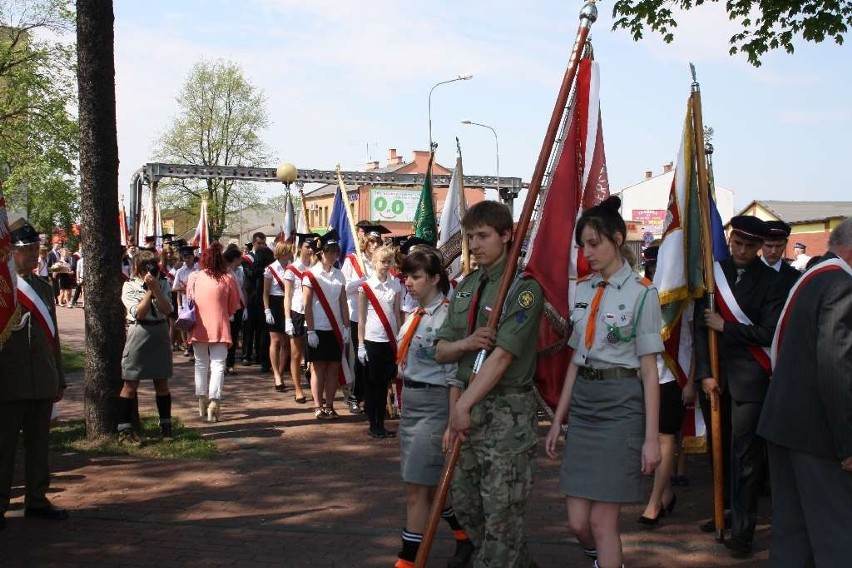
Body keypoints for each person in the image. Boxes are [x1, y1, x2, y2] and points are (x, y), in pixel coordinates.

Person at [544, 197, 663, 568]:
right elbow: (576, 362)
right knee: (578, 523)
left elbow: (649, 372)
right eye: (582, 245)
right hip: (584, 407)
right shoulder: (583, 289)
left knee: (601, 521)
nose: (587, 252)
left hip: (621, 407)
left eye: (594, 243)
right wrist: (558, 418)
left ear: (617, 239)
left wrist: (651, 439)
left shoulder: (643, 293)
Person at [435, 201, 543, 567]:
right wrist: (464, 344)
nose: (475, 244)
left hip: (506, 415)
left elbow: (502, 357)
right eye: (470, 237)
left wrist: (462, 407)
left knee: (502, 513)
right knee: (466, 504)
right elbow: (442, 350)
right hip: (469, 411)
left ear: (506, 235)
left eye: (483, 236)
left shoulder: (523, 289)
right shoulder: (467, 284)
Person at [757, 218, 852, 567]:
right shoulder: (842, 285)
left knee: (792, 538)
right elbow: (836, 369)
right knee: (837, 538)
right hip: (819, 436)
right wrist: (848, 443)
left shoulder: (810, 279)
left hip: (785, 423)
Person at [695, 215, 785, 556]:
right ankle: (725, 509)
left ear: (761, 246)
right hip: (716, 378)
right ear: (729, 239)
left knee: (745, 457)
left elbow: (767, 332)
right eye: (737, 243)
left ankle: (744, 530)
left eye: (750, 245)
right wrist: (704, 372)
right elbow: (699, 327)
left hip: (750, 380)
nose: (743, 250)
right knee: (719, 453)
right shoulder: (714, 273)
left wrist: (725, 326)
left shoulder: (772, 282)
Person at [393, 247, 474, 568]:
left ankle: (408, 561)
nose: (409, 283)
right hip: (411, 404)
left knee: (416, 489)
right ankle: (464, 535)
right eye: (406, 277)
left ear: (436, 278)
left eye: (416, 277)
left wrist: (452, 420)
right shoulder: (413, 315)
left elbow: (455, 376)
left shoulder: (447, 318)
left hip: (434, 405)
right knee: (425, 486)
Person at [0, 216, 69, 529]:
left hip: (41, 377)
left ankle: (37, 500)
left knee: (39, 447)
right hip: (9, 381)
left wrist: (59, 377)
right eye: (26, 250)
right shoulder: (5, 289)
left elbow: (52, 336)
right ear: (10, 252)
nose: (33, 255)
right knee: (3, 448)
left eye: (36, 249)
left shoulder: (42, 286)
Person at [638, 244, 692, 528]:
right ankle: (667, 493)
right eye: (653, 266)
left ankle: (655, 502)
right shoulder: (640, 292)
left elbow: (693, 344)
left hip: (672, 376)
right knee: (647, 437)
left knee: (665, 438)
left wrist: (691, 380)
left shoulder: (684, 297)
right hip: (643, 375)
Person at [118, 249, 174, 442]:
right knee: (130, 383)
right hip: (139, 331)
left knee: (162, 384)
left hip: (159, 331)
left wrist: (157, 288)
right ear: (139, 269)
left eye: (154, 267)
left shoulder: (164, 283)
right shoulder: (129, 286)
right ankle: (124, 428)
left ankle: (166, 425)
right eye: (146, 268)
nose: (151, 272)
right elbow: (138, 313)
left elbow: (167, 310)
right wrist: (149, 290)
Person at [187, 242, 241, 423]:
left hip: (198, 326)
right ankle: (214, 402)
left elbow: (189, 301)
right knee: (218, 365)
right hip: (220, 325)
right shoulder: (228, 278)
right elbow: (234, 305)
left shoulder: (194, 277)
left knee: (201, 363)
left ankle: (201, 399)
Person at [303, 230, 350, 420]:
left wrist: (346, 326)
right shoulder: (311, 275)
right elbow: (307, 305)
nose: (333, 256)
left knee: (333, 368)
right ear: (321, 253)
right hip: (318, 328)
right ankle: (317, 405)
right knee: (318, 368)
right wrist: (311, 330)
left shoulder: (339, 276)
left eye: (336, 252)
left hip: (335, 329)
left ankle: (330, 405)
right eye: (330, 252)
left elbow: (343, 303)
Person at [357, 244, 402, 438]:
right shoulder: (365, 286)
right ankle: (373, 423)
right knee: (373, 384)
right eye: (382, 262)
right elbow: (361, 318)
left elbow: (398, 314)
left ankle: (381, 423)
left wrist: (400, 338)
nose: (385, 265)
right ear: (374, 263)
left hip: (390, 340)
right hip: (372, 339)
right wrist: (360, 344)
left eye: (389, 261)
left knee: (385, 383)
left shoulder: (396, 284)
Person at [342, 227, 383, 414]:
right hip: (355, 315)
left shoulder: (380, 262)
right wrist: (361, 282)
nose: (375, 245)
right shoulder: (352, 260)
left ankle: (367, 395)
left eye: (378, 242)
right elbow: (344, 287)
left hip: (374, 317)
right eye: (372, 241)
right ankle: (352, 396)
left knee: (371, 358)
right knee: (355, 359)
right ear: (365, 242)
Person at [283, 233, 317, 404]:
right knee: (296, 354)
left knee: (313, 354)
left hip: (314, 313)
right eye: (307, 246)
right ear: (299, 248)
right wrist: (288, 319)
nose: (310, 250)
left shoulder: (316, 267)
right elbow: (287, 296)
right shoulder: (292, 269)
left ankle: (315, 387)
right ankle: (298, 389)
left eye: (312, 246)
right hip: (297, 312)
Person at [264, 241, 295, 392]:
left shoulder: (292, 268)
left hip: (288, 303)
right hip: (275, 303)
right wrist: (267, 309)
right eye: (289, 251)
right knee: (275, 341)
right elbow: (265, 292)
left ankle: (281, 372)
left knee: (286, 343)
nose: (291, 253)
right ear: (283, 252)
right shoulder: (270, 269)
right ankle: (276, 374)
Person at [242, 232, 273, 371]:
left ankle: (260, 355)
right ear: (253, 243)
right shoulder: (247, 259)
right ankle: (246, 355)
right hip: (251, 295)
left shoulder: (267, 255)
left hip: (263, 297)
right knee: (249, 328)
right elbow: (248, 274)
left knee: (262, 329)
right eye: (259, 243)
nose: (261, 246)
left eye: (263, 243)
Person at [223, 245, 247, 376]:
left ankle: (230, 364)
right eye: (239, 258)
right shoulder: (224, 273)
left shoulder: (241, 271)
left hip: (238, 307)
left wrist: (245, 307)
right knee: (225, 336)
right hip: (226, 309)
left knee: (234, 335)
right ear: (234, 259)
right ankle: (223, 362)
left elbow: (242, 289)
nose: (241, 261)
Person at [173, 246, 199, 359]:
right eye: (185, 257)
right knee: (188, 325)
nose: (187, 259)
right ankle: (189, 346)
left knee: (197, 324)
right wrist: (186, 289)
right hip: (186, 301)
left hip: (198, 300)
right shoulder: (180, 271)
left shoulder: (199, 270)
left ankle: (194, 348)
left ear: (193, 257)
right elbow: (174, 288)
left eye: (189, 257)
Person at [761, 220, 800, 292]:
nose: (773, 251)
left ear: (786, 244)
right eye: (769, 246)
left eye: (778, 246)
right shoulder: (746, 272)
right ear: (760, 243)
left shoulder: (795, 277)